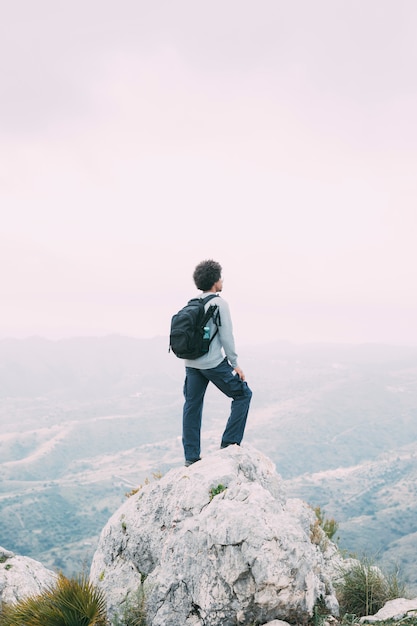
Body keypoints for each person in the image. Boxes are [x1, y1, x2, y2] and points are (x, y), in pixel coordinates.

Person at [182, 259, 252, 466]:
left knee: (192, 407)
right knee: (243, 394)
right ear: (214, 282)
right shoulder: (220, 303)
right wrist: (235, 364)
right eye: (220, 277)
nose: (222, 281)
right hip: (212, 363)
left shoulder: (193, 302)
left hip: (191, 363)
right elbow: (226, 336)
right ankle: (230, 444)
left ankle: (191, 457)